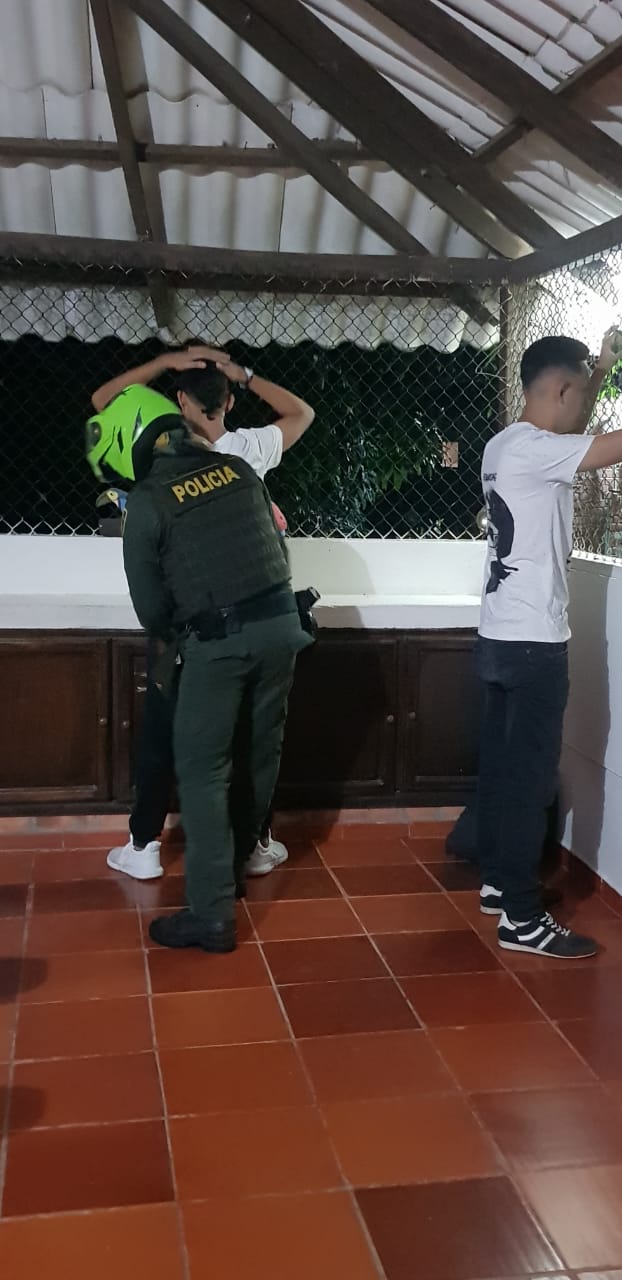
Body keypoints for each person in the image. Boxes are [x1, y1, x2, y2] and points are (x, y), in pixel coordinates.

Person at [119, 351, 315, 952]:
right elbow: (276, 553)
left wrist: (185, 640)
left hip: (218, 641)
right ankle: (235, 868)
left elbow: (151, 609)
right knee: (259, 753)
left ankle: (210, 915)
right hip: (282, 626)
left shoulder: (148, 499)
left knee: (204, 769)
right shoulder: (239, 469)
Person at [86, 349, 292, 884]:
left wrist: (167, 360)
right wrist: (244, 375)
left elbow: (103, 401)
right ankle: (252, 844)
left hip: (188, 627)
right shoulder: (246, 455)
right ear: (228, 401)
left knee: (165, 734)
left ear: (178, 402)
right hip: (255, 614)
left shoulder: (155, 469)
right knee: (250, 740)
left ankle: (146, 844)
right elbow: (302, 415)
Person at [477, 327, 622, 959]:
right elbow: (605, 447)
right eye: (580, 392)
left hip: (500, 636)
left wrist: (604, 367)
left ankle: (498, 883)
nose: (582, 404)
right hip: (535, 642)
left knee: (505, 770)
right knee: (530, 779)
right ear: (561, 389)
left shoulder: (507, 444)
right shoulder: (536, 451)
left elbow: (575, 439)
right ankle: (521, 919)